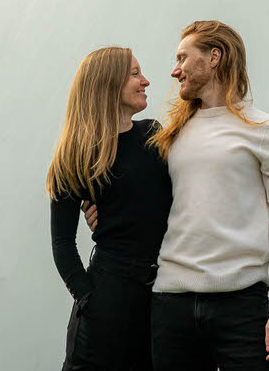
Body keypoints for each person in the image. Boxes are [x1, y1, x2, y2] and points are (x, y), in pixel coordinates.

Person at [84, 21, 269, 368]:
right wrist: (100, 208)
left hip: (242, 307)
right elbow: (143, 195)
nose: (174, 71)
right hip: (170, 306)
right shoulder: (168, 136)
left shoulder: (267, 131)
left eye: (183, 58)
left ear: (214, 57)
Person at [48, 46, 172, 371]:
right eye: (134, 73)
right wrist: (88, 299)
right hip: (109, 298)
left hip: (162, 299)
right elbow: (62, 244)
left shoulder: (154, 134)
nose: (145, 81)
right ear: (108, 83)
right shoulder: (77, 155)